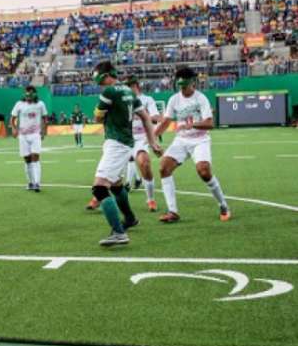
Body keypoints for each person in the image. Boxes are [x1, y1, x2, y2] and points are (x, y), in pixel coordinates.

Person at [87, 61, 162, 246]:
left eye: (99, 78)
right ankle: (129, 218)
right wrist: (152, 141)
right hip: (126, 142)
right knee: (116, 185)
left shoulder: (109, 92)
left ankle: (119, 233)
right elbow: (145, 117)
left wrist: (100, 113)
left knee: (99, 188)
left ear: (105, 76)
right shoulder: (129, 92)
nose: (98, 83)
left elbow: (97, 117)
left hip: (116, 143)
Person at [153, 67, 230, 223]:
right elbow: (166, 122)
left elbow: (210, 123)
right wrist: (152, 137)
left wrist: (193, 125)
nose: (182, 88)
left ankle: (223, 205)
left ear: (192, 83)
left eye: (185, 85)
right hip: (181, 140)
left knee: (204, 172)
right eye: (180, 85)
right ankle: (172, 212)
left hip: (200, 140)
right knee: (163, 168)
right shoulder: (174, 99)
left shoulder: (200, 98)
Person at [125, 75, 162, 212]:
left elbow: (157, 117)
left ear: (137, 86)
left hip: (141, 139)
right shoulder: (123, 101)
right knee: (110, 172)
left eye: (131, 86)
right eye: (127, 86)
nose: (129, 89)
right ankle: (97, 197)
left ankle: (151, 199)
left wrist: (148, 116)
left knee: (145, 164)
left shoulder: (147, 100)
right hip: (124, 139)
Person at [10, 85, 48, 192]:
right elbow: (12, 118)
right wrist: (13, 129)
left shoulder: (40, 104)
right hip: (23, 136)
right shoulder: (19, 104)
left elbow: (45, 118)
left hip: (35, 134)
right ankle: (30, 182)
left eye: (30, 94)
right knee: (27, 159)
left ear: (34, 94)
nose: (28, 96)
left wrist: (44, 131)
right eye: (26, 94)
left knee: (35, 157)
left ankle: (37, 183)